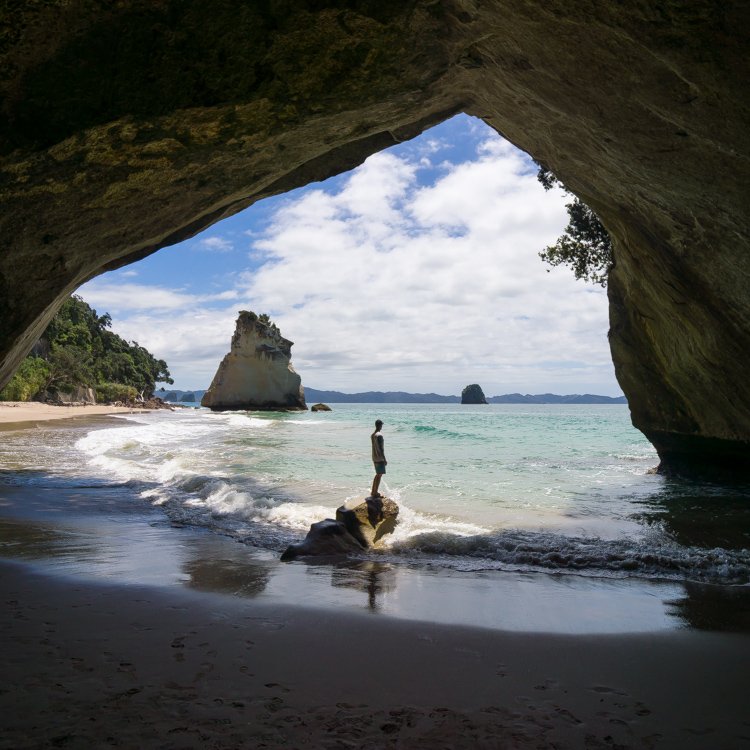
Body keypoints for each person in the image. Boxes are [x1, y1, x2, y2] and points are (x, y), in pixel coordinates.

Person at [370, 419, 387, 498]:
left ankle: (373, 491)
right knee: (379, 475)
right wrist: (384, 458)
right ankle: (375, 492)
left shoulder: (373, 435)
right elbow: (381, 448)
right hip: (379, 457)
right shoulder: (379, 435)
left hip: (374, 456)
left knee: (377, 474)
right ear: (380, 425)